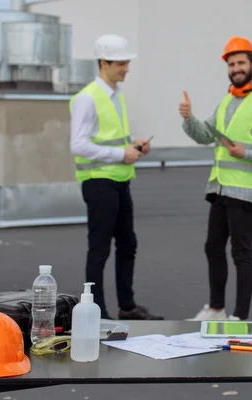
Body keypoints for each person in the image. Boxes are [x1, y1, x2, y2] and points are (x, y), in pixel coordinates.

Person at [179, 36, 252, 321]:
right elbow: (205, 135)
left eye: (241, 62)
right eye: (231, 64)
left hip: (245, 191)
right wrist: (188, 118)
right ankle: (216, 309)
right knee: (213, 247)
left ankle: (240, 317)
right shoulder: (227, 101)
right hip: (220, 187)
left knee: (241, 253)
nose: (236, 68)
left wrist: (249, 153)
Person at [69, 34, 162, 321]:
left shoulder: (115, 95)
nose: (126, 69)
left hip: (120, 180)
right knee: (99, 248)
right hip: (99, 182)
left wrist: (134, 145)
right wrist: (121, 154)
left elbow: (110, 139)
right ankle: (96, 312)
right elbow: (78, 145)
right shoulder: (87, 98)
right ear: (103, 63)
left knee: (127, 244)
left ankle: (127, 306)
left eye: (126, 63)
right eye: (121, 63)